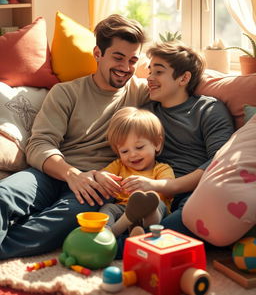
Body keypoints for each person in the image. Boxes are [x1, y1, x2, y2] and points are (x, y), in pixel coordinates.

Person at [0, 14, 149, 260]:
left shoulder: (142, 92)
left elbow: (179, 80)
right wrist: (72, 174)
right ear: (98, 54)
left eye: (133, 60)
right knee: (4, 195)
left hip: (96, 184)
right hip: (51, 174)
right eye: (118, 57)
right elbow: (38, 145)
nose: (126, 67)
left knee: (55, 229)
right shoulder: (66, 92)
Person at [142, 41, 235, 237]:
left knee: (182, 221)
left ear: (183, 78)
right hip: (153, 191)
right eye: (149, 71)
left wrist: (170, 186)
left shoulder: (208, 109)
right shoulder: (146, 113)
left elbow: (219, 161)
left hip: (194, 191)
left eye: (158, 72)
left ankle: (124, 244)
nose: (149, 78)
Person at [96, 106, 174, 237]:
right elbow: (101, 174)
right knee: (108, 209)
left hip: (152, 212)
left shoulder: (161, 169)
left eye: (139, 147)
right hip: (123, 209)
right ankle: (107, 232)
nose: (132, 155)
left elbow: (169, 186)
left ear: (157, 143)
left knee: (157, 204)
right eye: (124, 151)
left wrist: (150, 184)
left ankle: (138, 229)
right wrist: (102, 176)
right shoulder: (119, 165)